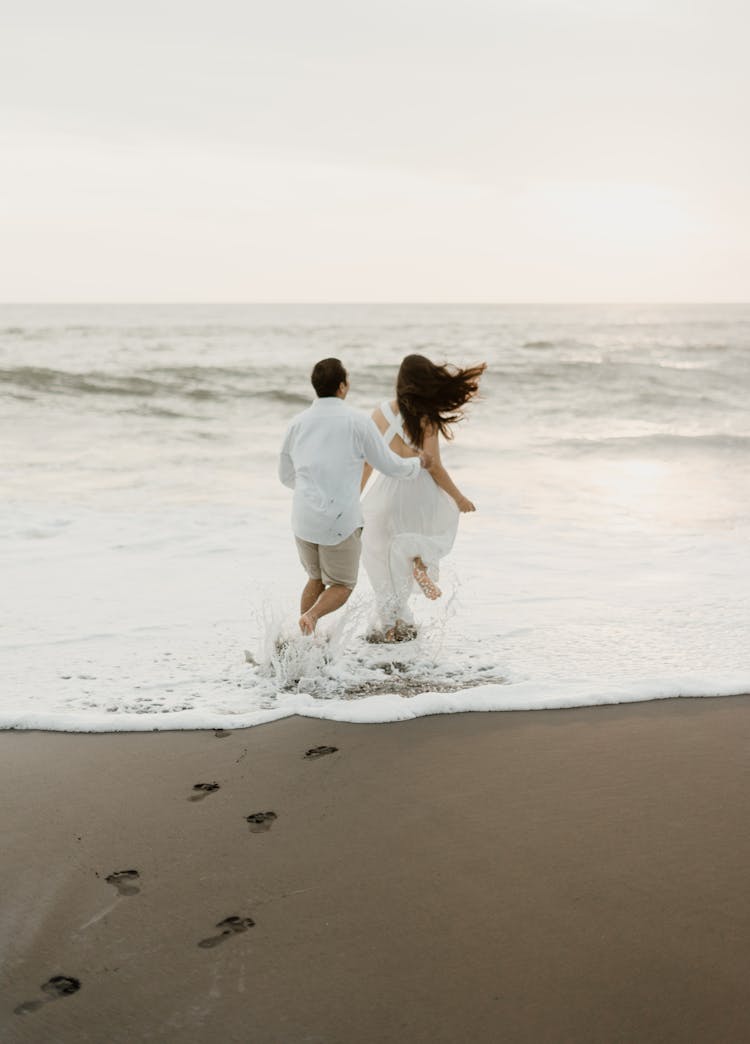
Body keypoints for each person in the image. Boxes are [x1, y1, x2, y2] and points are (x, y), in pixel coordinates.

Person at [279, 358, 433, 635]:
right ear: (341, 386)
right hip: (339, 521)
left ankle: (303, 642)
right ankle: (312, 617)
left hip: (303, 518)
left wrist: (313, 493)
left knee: (314, 578)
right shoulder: (357, 422)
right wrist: (417, 464)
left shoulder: (297, 423)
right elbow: (388, 465)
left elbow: (285, 475)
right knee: (342, 584)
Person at [360, 354, 486, 641]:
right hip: (417, 492)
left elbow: (366, 462)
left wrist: (354, 499)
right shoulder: (425, 417)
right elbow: (434, 466)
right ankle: (421, 563)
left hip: (385, 492)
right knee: (422, 530)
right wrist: (458, 497)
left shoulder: (378, 413)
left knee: (381, 557)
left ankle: (390, 627)